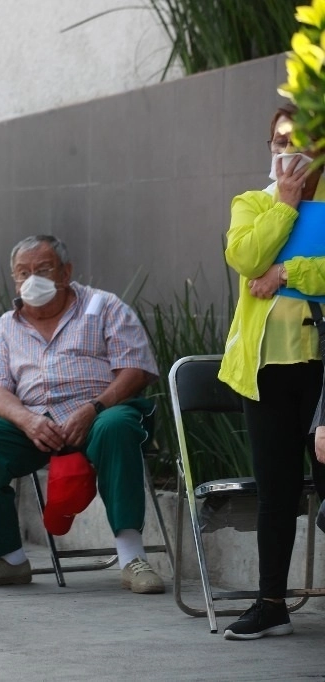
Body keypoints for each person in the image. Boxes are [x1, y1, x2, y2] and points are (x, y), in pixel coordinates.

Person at [0, 235, 165, 595]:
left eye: (43, 269)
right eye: (22, 273)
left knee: (117, 427)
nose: (31, 279)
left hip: (100, 412)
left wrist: (95, 407)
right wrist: (27, 420)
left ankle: (131, 557)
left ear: (66, 272)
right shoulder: (7, 325)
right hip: (36, 423)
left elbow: (136, 369)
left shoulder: (103, 306)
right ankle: (8, 559)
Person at [217, 107, 325, 639]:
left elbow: (271, 267)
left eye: (299, 140)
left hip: (321, 365)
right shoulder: (253, 203)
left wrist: (287, 272)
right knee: (276, 489)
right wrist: (284, 206)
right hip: (266, 369)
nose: (288, 151)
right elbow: (245, 256)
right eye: (278, 141)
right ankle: (271, 602)